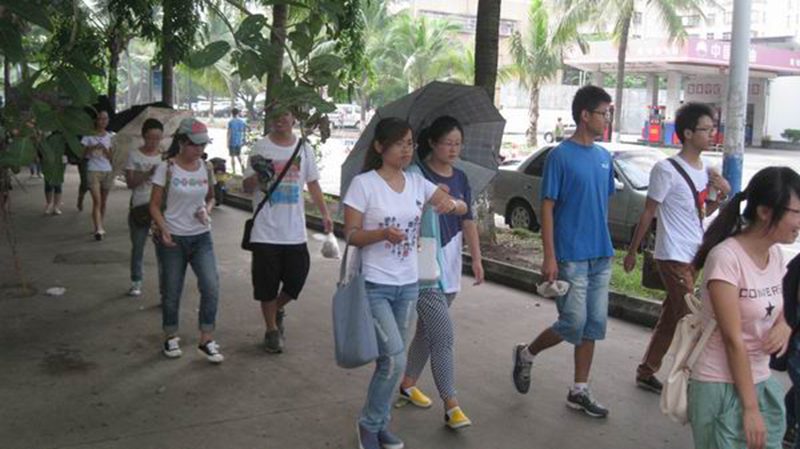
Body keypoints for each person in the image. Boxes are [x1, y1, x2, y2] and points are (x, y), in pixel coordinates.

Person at [343, 117, 468, 449]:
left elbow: (460, 206)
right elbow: (351, 234)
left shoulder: (416, 182)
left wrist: (451, 203)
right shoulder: (364, 185)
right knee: (396, 359)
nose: (406, 150)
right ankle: (368, 425)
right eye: (399, 143)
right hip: (375, 285)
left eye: (410, 143)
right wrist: (382, 234)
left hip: (409, 286)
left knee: (390, 362)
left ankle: (380, 423)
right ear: (380, 147)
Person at [511, 85, 615, 418]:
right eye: (604, 113)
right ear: (585, 115)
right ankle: (527, 353)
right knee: (573, 322)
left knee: (593, 325)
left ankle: (579, 390)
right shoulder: (560, 156)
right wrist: (550, 255)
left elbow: (601, 203)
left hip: (601, 255)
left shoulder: (604, 157)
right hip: (570, 255)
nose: (607, 119)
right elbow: (547, 207)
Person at [688, 166, 800, 449]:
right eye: (796, 212)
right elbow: (732, 339)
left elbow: (775, 306)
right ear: (765, 212)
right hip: (720, 384)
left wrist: (785, 326)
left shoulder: (775, 254)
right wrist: (750, 410)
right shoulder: (726, 258)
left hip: (760, 380)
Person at [622, 102, 731, 393]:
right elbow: (649, 212)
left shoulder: (706, 171)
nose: (712, 134)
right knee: (692, 319)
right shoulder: (666, 170)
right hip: (671, 255)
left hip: (693, 254)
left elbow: (701, 214)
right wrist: (632, 251)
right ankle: (696, 380)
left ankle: (646, 371)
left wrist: (721, 194)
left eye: (713, 129)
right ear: (688, 133)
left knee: (672, 318)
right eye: (706, 129)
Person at [395, 115, 484, 430]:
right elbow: (402, 212)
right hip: (423, 266)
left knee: (426, 331)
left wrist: (477, 259)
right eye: (448, 143)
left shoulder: (460, 177)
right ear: (431, 143)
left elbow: (467, 219)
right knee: (443, 335)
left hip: (450, 262)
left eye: (458, 143)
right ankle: (451, 405)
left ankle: (407, 383)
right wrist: (429, 202)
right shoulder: (414, 175)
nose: (454, 149)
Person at [242, 110, 332, 354]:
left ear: (294, 119)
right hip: (265, 230)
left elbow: (313, 183)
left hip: (294, 231)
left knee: (296, 280)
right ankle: (271, 330)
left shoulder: (304, 149)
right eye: (276, 114)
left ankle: (277, 308)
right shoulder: (260, 147)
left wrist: (325, 214)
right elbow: (246, 187)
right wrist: (259, 175)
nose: (280, 119)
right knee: (266, 285)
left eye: (286, 114)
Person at [149, 117, 223, 364]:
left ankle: (206, 338)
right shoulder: (167, 168)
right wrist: (164, 229)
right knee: (172, 290)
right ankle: (170, 335)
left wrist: (206, 210)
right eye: (194, 144)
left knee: (211, 285)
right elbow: (154, 205)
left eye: (203, 145)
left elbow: (211, 198)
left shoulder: (206, 168)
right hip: (173, 239)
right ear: (181, 142)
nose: (199, 149)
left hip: (201, 237)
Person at [125, 118, 164, 297]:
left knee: (163, 249)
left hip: (160, 207)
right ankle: (136, 281)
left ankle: (165, 286)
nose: (153, 142)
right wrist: (149, 173)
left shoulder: (164, 157)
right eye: (150, 138)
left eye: (157, 138)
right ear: (143, 136)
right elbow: (130, 183)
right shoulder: (134, 155)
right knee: (138, 246)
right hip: (140, 205)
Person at [81, 109, 115, 240]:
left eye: (105, 119)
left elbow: (112, 157)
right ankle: (99, 229)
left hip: (107, 170)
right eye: (100, 118)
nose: (102, 121)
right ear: (96, 120)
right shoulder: (88, 136)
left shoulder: (111, 137)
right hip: (93, 170)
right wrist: (92, 148)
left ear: (108, 121)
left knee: (103, 201)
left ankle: (99, 225)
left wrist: (105, 150)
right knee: (97, 200)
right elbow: (82, 154)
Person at [227, 108, 247, 174]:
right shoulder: (241, 122)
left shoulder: (231, 122)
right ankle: (242, 167)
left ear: (232, 113)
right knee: (238, 155)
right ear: (238, 113)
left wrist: (227, 142)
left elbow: (229, 133)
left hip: (232, 141)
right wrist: (244, 139)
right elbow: (244, 131)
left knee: (232, 156)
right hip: (239, 141)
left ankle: (234, 171)